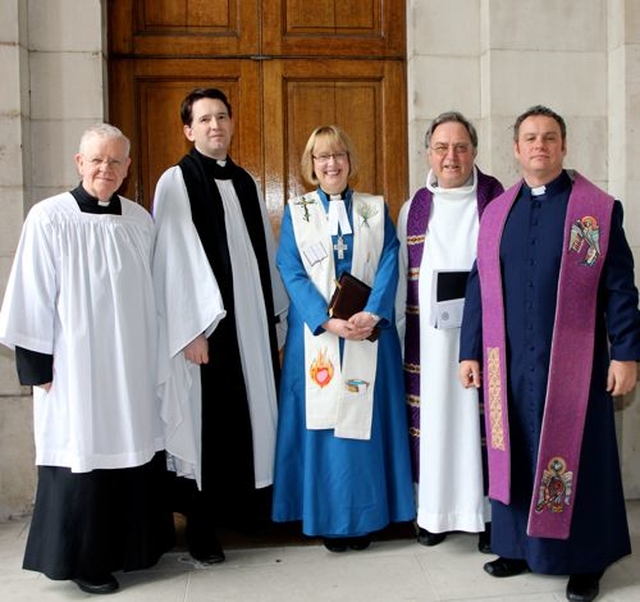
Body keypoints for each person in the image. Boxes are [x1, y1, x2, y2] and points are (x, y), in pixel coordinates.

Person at [459, 105, 640, 602]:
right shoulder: (496, 214)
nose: (540, 145)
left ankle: (587, 560)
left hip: (576, 363)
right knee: (515, 448)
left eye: (550, 137)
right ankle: (517, 546)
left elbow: (620, 287)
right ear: (516, 149)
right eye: (530, 138)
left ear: (563, 147)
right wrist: (469, 350)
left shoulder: (597, 209)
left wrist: (626, 352)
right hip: (510, 360)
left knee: (582, 457)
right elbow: (479, 285)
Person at [0, 124, 175, 595]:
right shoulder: (49, 217)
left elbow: (158, 292)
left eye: (116, 161)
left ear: (128, 167)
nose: (106, 169)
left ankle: (132, 549)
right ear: (80, 163)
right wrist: (38, 366)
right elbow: (30, 293)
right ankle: (83, 559)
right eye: (97, 160)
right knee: (82, 451)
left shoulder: (140, 220)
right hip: (75, 369)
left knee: (134, 449)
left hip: (132, 366)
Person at [152, 88, 288, 564]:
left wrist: (274, 314)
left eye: (222, 117)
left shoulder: (247, 182)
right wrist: (190, 329)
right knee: (206, 420)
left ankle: (244, 509)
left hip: (248, 322)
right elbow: (171, 259)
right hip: (205, 330)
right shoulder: (176, 180)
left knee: (249, 413)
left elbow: (262, 257)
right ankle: (200, 526)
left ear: (232, 124)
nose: (215, 126)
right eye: (205, 119)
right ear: (188, 129)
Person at [272, 125, 415, 551]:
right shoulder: (296, 212)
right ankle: (328, 519)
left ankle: (367, 517)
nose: (331, 164)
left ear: (350, 161)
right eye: (321, 157)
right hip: (319, 337)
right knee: (326, 426)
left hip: (369, 333)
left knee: (365, 425)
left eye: (337, 155)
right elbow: (290, 269)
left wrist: (372, 314)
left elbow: (391, 259)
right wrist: (326, 321)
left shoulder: (374, 208)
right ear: (310, 166)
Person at [396, 111, 504, 552]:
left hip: (484, 337)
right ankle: (435, 513)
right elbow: (402, 275)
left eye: (460, 147)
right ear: (429, 153)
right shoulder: (414, 207)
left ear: (475, 151)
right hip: (431, 342)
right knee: (436, 421)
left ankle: (490, 516)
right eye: (441, 147)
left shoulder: (497, 200)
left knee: (484, 424)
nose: (451, 156)